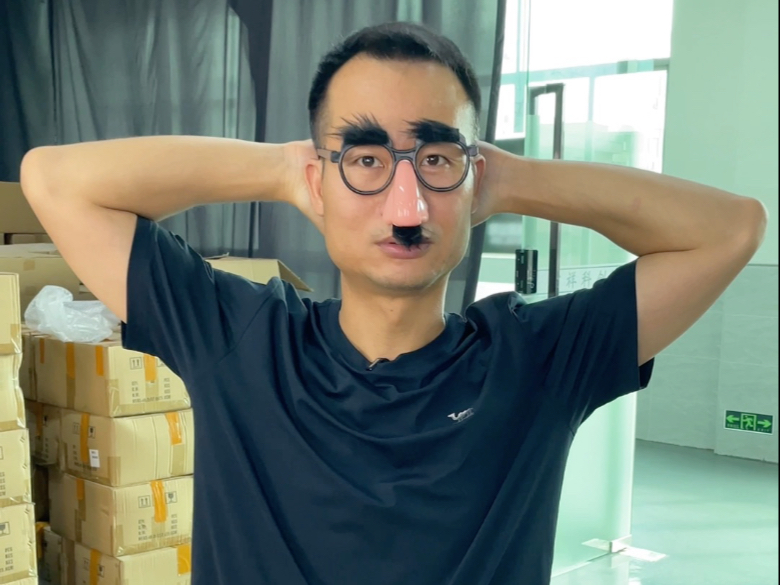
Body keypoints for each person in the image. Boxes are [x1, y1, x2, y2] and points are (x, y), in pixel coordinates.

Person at [20, 21, 766, 585]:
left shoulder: (538, 362)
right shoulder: (241, 339)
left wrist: (505, 178)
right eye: (366, 159)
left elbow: (730, 228)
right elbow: (54, 181)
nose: (406, 205)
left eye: (436, 159)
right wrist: (284, 170)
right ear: (320, 179)